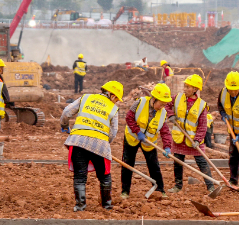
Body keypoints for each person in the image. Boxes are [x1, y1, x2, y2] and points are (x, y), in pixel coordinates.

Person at [60, 80, 123, 211]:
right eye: (116, 98)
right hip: (100, 144)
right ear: (111, 94)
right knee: (105, 176)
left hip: (78, 142)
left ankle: (80, 206)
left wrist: (65, 126)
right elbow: (113, 132)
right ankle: (107, 205)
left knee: (80, 176)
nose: (116, 101)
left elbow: (66, 112)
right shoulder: (113, 108)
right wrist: (105, 143)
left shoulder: (86, 97)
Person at [121, 83, 173, 199]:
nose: (162, 106)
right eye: (161, 103)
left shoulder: (163, 113)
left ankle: (160, 190)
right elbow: (129, 117)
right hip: (132, 138)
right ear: (154, 99)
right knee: (127, 164)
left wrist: (167, 147)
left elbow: (165, 131)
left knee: (154, 166)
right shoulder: (139, 103)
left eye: (165, 104)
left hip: (148, 142)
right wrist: (137, 131)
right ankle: (125, 191)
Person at [165, 74, 215, 193]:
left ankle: (211, 186)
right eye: (185, 86)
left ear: (195, 89)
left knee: (202, 163)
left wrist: (198, 139)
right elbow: (166, 104)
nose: (185, 89)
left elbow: (203, 125)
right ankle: (178, 186)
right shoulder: (178, 98)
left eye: (188, 87)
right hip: (179, 137)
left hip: (193, 139)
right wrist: (171, 114)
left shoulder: (201, 105)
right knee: (178, 162)